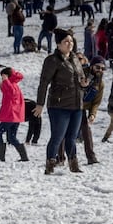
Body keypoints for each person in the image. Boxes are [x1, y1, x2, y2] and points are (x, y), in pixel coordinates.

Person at [35, 28, 88, 175]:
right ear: (58, 44)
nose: (69, 44)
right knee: (57, 136)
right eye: (66, 41)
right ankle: (50, 164)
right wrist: (40, 104)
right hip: (59, 105)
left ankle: (73, 164)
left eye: (71, 41)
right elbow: (44, 82)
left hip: (77, 104)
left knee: (72, 138)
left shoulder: (75, 59)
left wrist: (84, 83)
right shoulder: (52, 60)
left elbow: (80, 77)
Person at [0, 67, 28, 162]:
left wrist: (5, 82)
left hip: (11, 115)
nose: (2, 78)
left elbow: (12, 93)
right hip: (14, 116)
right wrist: (2, 87)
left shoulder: (12, 84)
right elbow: (8, 95)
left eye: (2, 76)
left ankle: (1, 156)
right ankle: (23, 157)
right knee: (12, 137)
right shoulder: (12, 84)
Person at [79, 55, 106, 165]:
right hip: (71, 104)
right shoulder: (81, 73)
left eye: (102, 68)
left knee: (86, 131)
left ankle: (91, 157)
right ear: (91, 67)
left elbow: (96, 102)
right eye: (97, 67)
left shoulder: (100, 83)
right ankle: (59, 157)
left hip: (82, 109)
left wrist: (92, 114)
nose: (100, 70)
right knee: (65, 132)